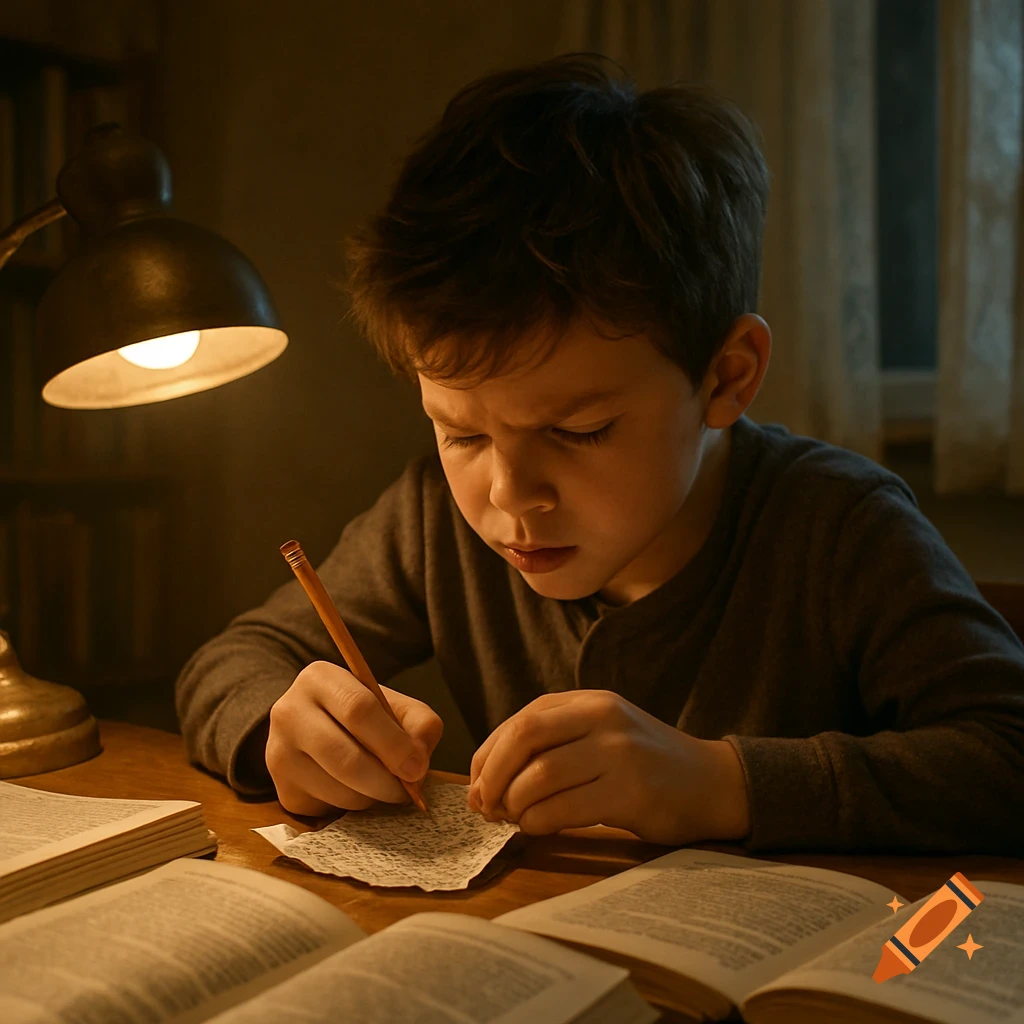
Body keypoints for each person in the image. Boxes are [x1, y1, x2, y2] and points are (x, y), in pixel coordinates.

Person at [176, 54, 1024, 854]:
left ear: (727, 377)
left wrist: (723, 784)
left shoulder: (838, 530)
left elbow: (1008, 752)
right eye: (462, 432)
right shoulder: (434, 516)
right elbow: (229, 662)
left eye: (579, 431)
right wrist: (282, 725)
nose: (511, 494)